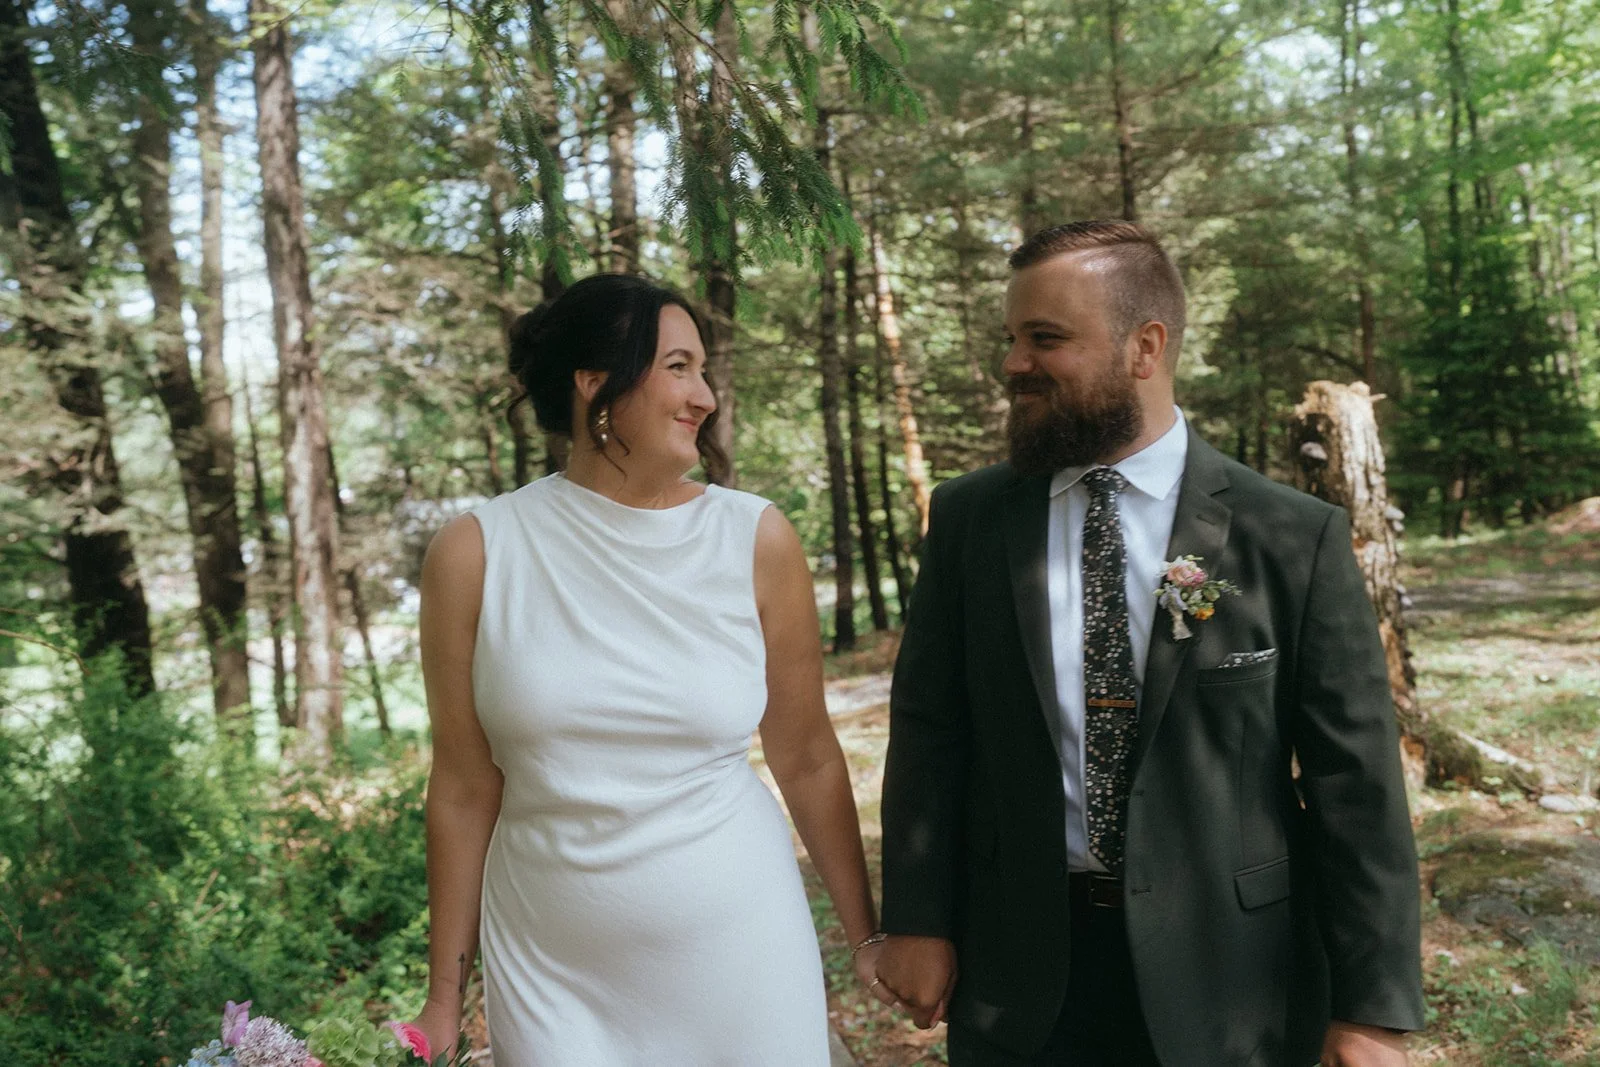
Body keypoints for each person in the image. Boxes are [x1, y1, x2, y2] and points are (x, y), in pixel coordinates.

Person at [874, 221, 1425, 1066]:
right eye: (1012, 338)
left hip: (1234, 980)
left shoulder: (1290, 536)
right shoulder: (971, 520)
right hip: (1020, 975)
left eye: (1045, 338)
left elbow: (1357, 786)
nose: (1013, 363)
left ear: (1146, 346)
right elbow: (929, 730)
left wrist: (1373, 1008)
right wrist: (917, 917)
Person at [411, 273, 890, 1064]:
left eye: (704, 370)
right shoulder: (476, 551)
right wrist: (442, 999)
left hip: (741, 950)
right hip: (551, 968)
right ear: (593, 382)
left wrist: (867, 933)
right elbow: (463, 787)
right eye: (677, 366)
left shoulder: (755, 538)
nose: (704, 396)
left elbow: (804, 754)